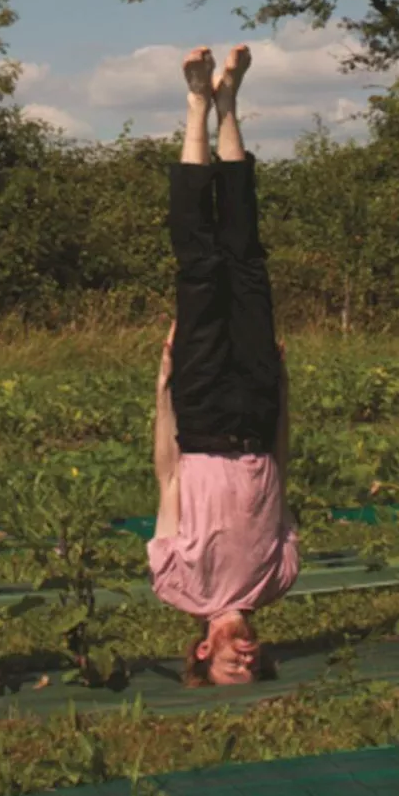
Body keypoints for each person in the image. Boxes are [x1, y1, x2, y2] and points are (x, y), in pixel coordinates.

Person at [147, 44, 297, 687]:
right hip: (259, 414)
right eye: (255, 666)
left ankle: (195, 105)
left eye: (234, 668)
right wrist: (284, 392)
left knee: (200, 267)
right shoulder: (278, 580)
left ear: (202, 655)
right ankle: (230, 103)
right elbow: (283, 470)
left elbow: (167, 479)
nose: (247, 658)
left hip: (203, 415)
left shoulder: (176, 586)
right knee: (246, 260)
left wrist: (164, 391)